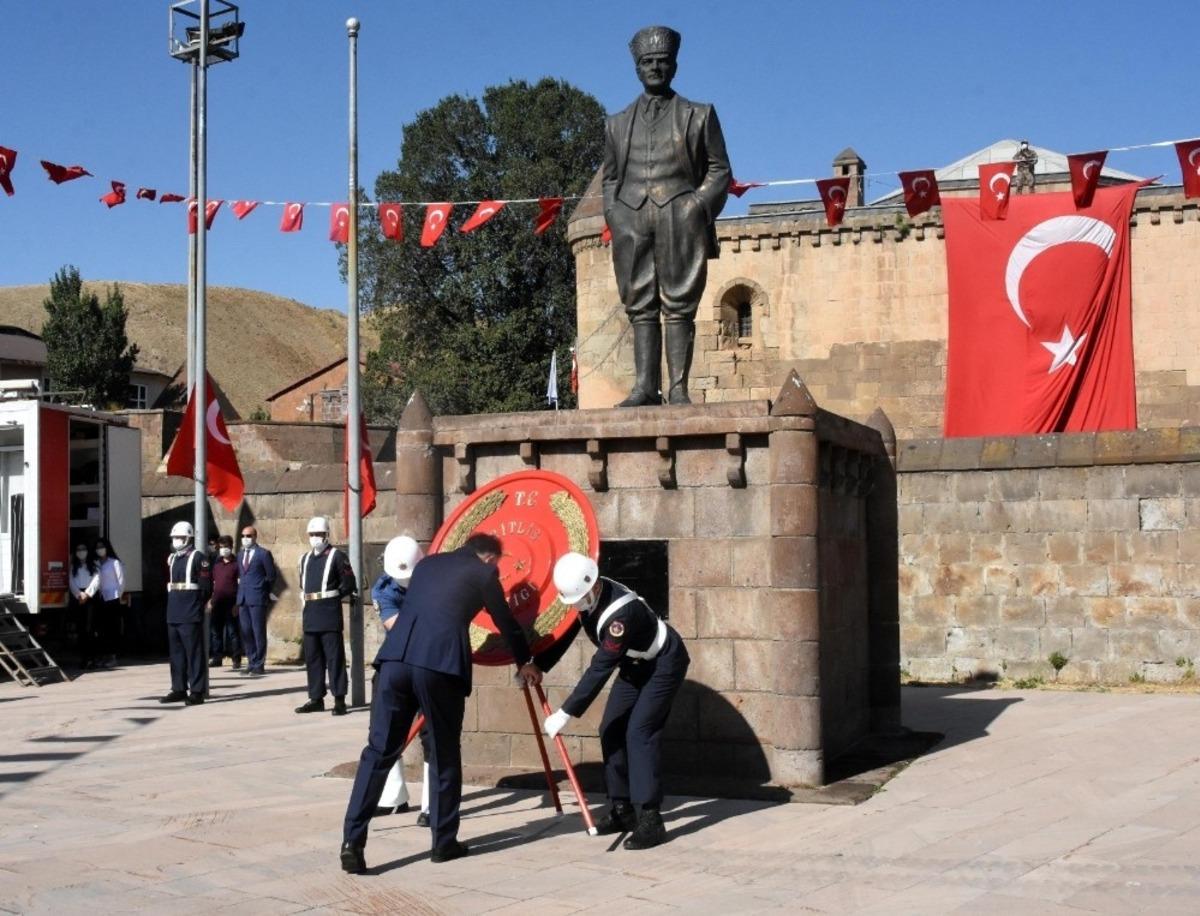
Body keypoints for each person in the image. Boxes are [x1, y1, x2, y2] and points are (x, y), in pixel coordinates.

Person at [340, 533, 543, 874]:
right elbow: (505, 621)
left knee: (378, 753)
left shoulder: (427, 565)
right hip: (439, 666)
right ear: (490, 558)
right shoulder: (483, 574)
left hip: (395, 662)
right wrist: (525, 660)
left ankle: (352, 842)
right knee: (444, 752)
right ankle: (443, 842)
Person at [603, 24, 731, 406]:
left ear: (674, 66)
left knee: (679, 302)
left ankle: (677, 388)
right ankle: (644, 386)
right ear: (637, 69)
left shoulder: (699, 115)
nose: (655, 68)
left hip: (679, 212)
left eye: (662, 61)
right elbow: (610, 177)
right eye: (648, 62)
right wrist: (614, 213)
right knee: (639, 302)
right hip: (631, 218)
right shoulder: (616, 123)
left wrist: (698, 205)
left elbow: (719, 169)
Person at [540, 552, 690, 850]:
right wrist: (538, 664)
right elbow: (567, 631)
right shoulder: (588, 596)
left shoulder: (620, 616)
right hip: (634, 665)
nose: (578, 606)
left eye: (580, 599)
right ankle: (622, 810)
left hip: (663, 662)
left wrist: (565, 712)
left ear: (593, 587)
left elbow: (600, 668)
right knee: (610, 728)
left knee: (640, 732)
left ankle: (650, 817)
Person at [369, 535, 432, 824]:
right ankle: (394, 797)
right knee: (384, 732)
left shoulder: (434, 578)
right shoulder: (384, 587)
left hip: (430, 665)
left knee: (433, 737)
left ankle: (432, 804)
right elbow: (399, 628)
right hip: (396, 664)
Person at [295, 516, 355, 716]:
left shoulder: (337, 556)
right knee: (313, 659)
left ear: (327, 535)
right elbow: (302, 585)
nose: (315, 538)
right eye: (312, 535)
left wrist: (333, 597)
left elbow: (348, 583)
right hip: (311, 613)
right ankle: (316, 698)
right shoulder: (304, 558)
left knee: (334, 658)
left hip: (329, 614)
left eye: (319, 534)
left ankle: (339, 699)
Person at [160, 520, 212, 705]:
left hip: (190, 610)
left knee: (194, 653)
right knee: (176, 654)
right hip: (173, 610)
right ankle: (178, 688)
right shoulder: (173, 558)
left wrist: (197, 605)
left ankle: (197, 691)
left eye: (180, 537)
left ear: (189, 538)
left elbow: (206, 587)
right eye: (174, 538)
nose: (177, 541)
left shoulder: (198, 557)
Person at [235, 524, 276, 677]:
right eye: (243, 536)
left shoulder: (263, 554)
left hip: (257, 597)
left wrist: (262, 588)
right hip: (243, 598)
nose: (246, 539)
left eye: (249, 536)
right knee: (246, 632)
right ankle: (251, 661)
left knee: (258, 631)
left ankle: (259, 664)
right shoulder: (240, 555)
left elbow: (271, 576)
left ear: (255, 537)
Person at [208, 535, 242, 670]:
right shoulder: (216, 564)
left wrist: (237, 604)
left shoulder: (237, 564)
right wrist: (211, 600)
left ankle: (236, 659)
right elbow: (214, 583)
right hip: (217, 603)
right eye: (221, 547)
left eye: (226, 547)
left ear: (231, 547)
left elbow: (240, 584)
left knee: (232, 632)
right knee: (215, 632)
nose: (223, 550)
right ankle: (217, 657)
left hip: (231, 603)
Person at [93, 537, 125, 669]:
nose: (100, 549)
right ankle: (103, 655)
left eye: (102, 546)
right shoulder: (96, 563)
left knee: (112, 628)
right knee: (101, 629)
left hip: (113, 598)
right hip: (101, 598)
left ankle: (112, 656)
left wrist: (118, 596)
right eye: (97, 547)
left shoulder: (114, 563)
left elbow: (121, 582)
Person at [69, 541, 99, 669]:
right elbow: (70, 581)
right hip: (78, 598)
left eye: (83, 549)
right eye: (78, 550)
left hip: (90, 598)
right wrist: (78, 594)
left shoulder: (94, 565)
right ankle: (83, 658)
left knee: (90, 629)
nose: (81, 552)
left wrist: (87, 594)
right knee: (81, 629)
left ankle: (92, 658)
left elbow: (97, 580)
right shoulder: (73, 566)